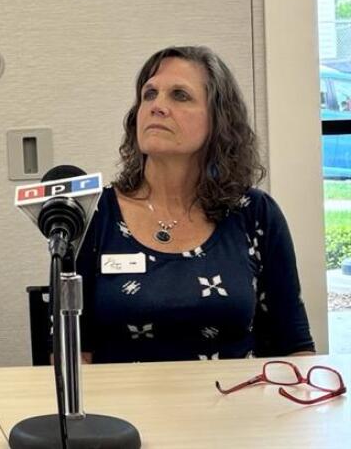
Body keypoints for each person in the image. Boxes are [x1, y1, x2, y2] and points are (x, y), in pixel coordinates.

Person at [78, 45, 315, 363]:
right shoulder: (95, 215)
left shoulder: (254, 213)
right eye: (149, 94)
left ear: (218, 120)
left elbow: (295, 345)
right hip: (121, 409)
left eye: (179, 95)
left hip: (235, 405)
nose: (157, 106)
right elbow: (73, 354)